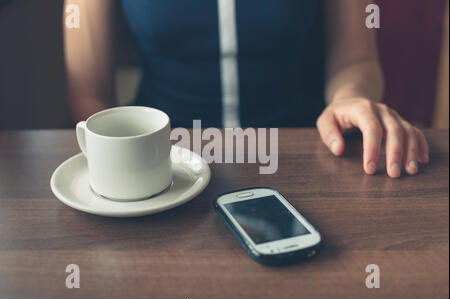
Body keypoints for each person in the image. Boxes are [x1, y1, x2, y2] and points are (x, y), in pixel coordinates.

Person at [64, 0, 429, 178]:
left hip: (306, 157)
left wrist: (349, 97)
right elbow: (88, 95)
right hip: (161, 162)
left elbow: (355, 61)